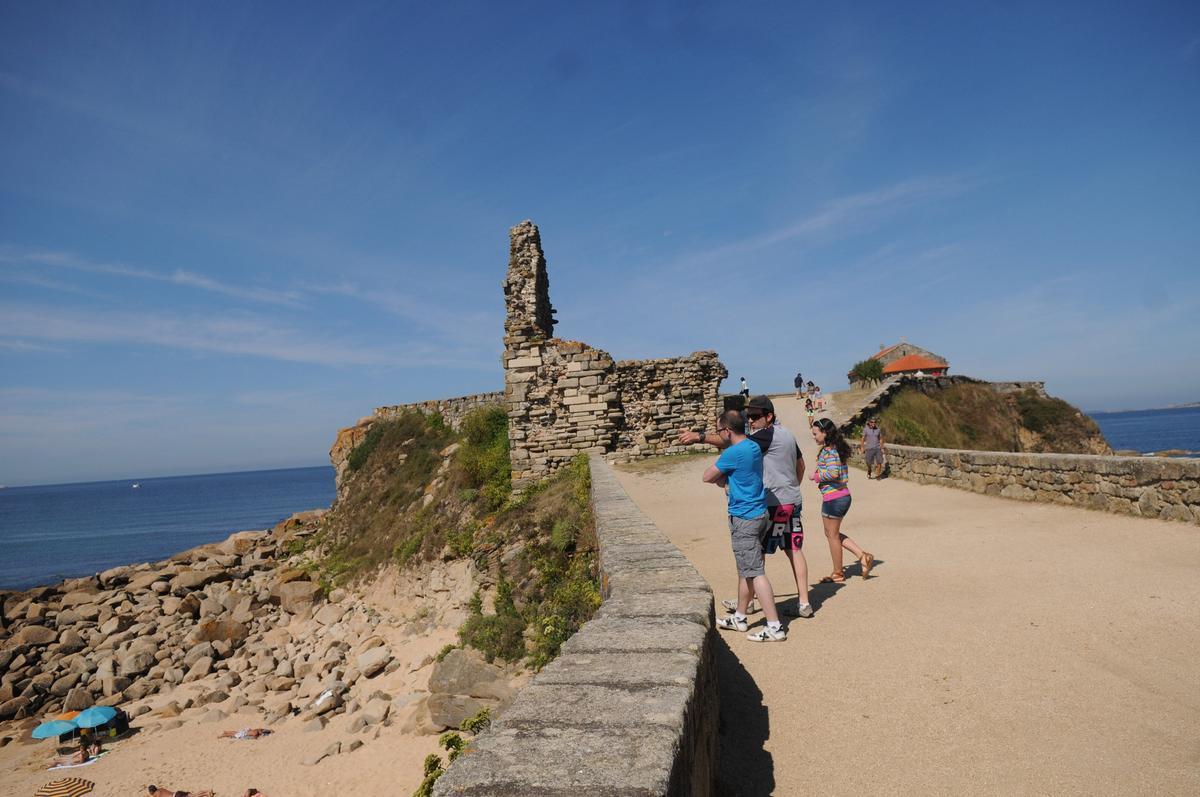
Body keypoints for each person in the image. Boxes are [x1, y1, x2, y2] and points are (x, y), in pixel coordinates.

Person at [680, 396, 812, 618]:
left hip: (773, 503)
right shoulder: (787, 434)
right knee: (794, 549)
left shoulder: (764, 436)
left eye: (756, 416)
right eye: (748, 416)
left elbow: (733, 441)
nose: (751, 420)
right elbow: (801, 466)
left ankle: (748, 603)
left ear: (769, 416)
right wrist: (791, 488)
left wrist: (699, 437)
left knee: (753, 555)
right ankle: (804, 603)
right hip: (792, 500)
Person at [702, 409, 786, 641]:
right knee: (746, 570)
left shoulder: (733, 453)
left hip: (744, 518)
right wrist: (727, 478)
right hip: (759, 514)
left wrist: (723, 475)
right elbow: (734, 476)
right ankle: (739, 616)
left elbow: (707, 477)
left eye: (719, 431)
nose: (719, 434)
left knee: (756, 572)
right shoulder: (752, 446)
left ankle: (774, 626)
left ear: (728, 431)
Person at [810, 417, 874, 583]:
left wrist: (815, 476)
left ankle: (838, 573)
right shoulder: (835, 448)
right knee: (832, 534)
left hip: (834, 498)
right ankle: (862, 556)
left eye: (815, 433)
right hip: (841, 496)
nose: (813, 436)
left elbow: (833, 473)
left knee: (832, 536)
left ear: (825, 433)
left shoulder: (830, 451)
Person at [147, 787, 214, 797]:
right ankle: (207, 790)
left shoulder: (156, 794)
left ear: (151, 791)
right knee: (194, 795)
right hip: (177, 793)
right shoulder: (161, 789)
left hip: (177, 796)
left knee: (194, 796)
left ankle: (207, 793)